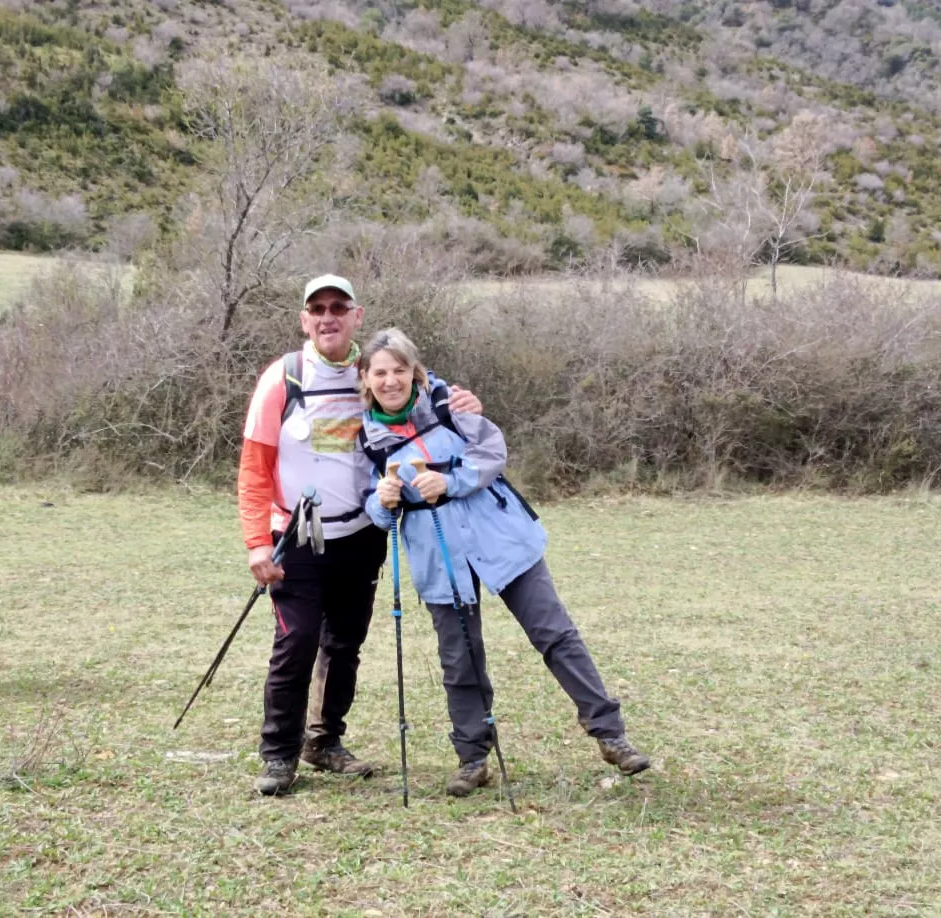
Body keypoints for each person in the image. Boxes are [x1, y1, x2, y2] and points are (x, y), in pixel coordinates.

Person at [360, 327, 651, 796]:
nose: (391, 381)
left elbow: (492, 453)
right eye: (380, 372)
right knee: (460, 659)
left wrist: (449, 481)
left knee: (554, 634)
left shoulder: (448, 404)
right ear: (366, 377)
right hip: (438, 557)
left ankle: (611, 736)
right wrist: (384, 499)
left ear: (414, 372)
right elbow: (372, 510)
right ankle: (473, 759)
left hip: (500, 538)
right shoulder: (366, 438)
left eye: (399, 370)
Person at [236, 274, 482, 796]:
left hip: (364, 532)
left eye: (338, 308)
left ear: (356, 316)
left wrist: (465, 404)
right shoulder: (283, 378)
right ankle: (278, 755)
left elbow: (427, 392)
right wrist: (257, 542)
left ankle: (323, 741)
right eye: (317, 309)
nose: (328, 317)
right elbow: (254, 468)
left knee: (344, 643)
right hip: (297, 536)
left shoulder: (373, 369)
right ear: (305, 319)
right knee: (296, 641)